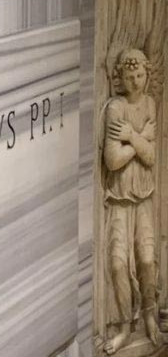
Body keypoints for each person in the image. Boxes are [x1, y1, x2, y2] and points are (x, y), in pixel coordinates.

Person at [103, 49, 158, 355]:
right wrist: (141, 138)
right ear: (120, 78)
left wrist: (131, 138)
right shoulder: (116, 107)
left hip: (144, 196)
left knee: (147, 260)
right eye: (130, 76)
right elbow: (112, 160)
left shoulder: (149, 104)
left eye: (140, 75)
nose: (136, 82)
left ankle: (149, 316)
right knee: (117, 263)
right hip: (120, 199)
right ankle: (124, 327)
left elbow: (150, 157)